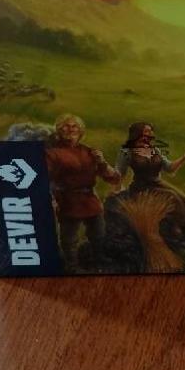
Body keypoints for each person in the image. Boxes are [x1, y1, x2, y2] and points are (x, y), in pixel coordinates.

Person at [44, 114, 120, 270]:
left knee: (99, 234)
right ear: (59, 130)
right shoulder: (52, 153)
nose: (71, 129)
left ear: (80, 131)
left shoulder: (88, 151)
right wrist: (51, 198)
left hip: (90, 200)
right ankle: (72, 267)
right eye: (66, 126)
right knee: (69, 239)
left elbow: (112, 178)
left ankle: (99, 262)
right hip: (67, 200)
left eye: (75, 126)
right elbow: (44, 177)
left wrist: (102, 162)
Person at [115, 121, 185, 242]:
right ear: (138, 133)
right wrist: (117, 189)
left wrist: (184, 158)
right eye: (147, 131)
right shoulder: (127, 151)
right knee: (172, 197)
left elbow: (169, 168)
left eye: (151, 131)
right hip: (141, 186)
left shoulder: (154, 149)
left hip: (157, 183)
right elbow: (120, 172)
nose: (151, 134)